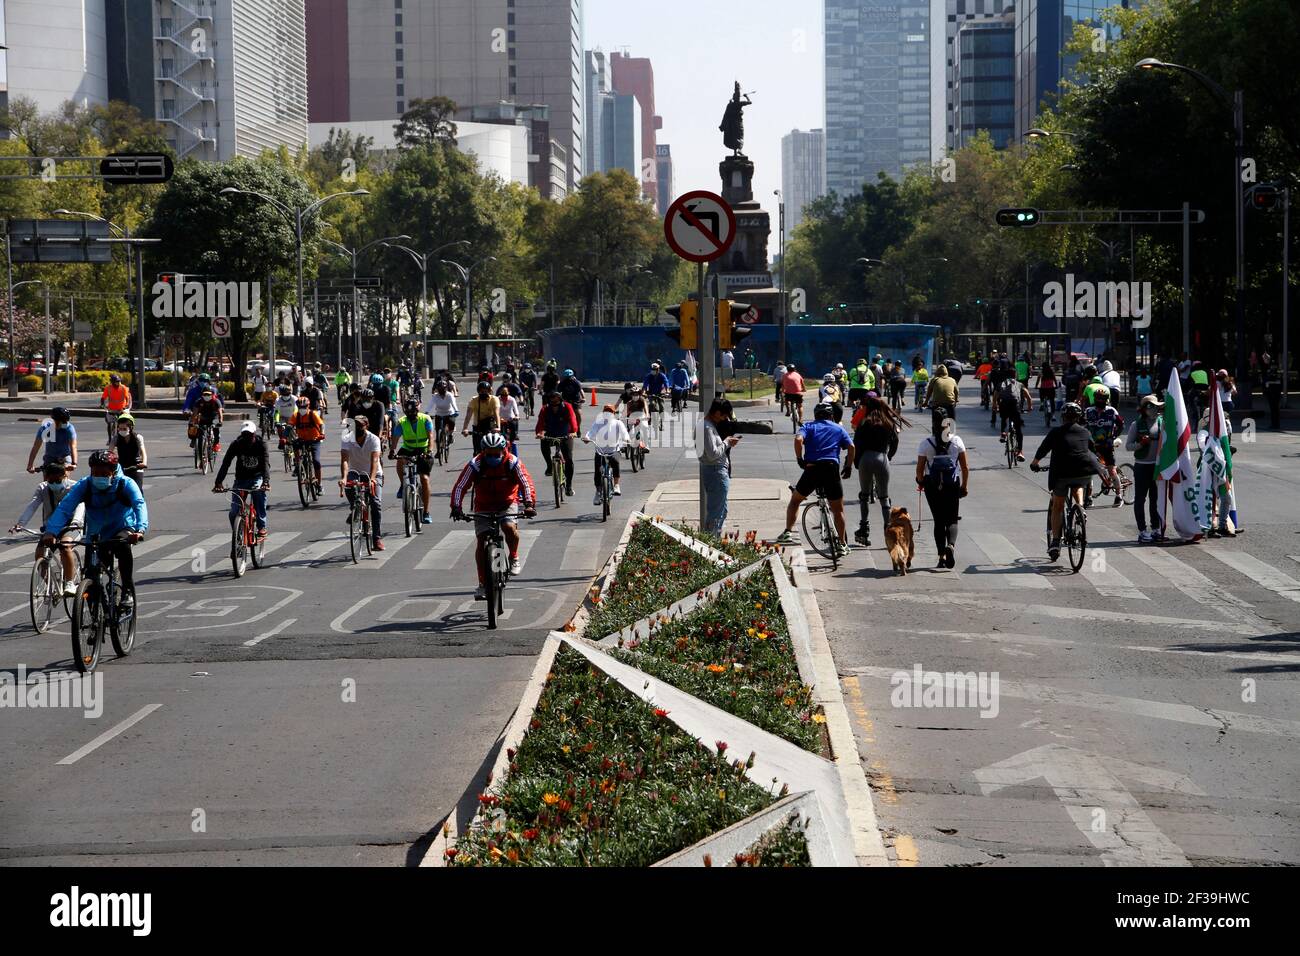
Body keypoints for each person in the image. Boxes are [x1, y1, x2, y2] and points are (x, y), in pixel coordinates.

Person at [43, 448, 147, 609]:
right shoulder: (85, 485)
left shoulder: (125, 484)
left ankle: (127, 589)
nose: (98, 477)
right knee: (91, 576)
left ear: (113, 472)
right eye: (95, 473)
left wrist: (139, 530)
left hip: (122, 527)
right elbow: (65, 508)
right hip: (96, 533)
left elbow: (139, 504)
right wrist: (51, 531)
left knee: (122, 546)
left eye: (103, 474)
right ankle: (93, 622)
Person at [450, 432, 537, 599]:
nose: (493, 456)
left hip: (507, 502)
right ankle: (482, 583)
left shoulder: (512, 462)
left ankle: (514, 556)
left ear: (504, 450)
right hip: (483, 505)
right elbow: (461, 486)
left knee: (509, 527)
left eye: (496, 452)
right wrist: (456, 507)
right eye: (489, 453)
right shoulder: (476, 464)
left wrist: (529, 504)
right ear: (483, 451)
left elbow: (526, 482)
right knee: (482, 539)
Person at [1030, 402, 1106, 562]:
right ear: (1078, 417)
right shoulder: (1085, 432)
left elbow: (1043, 449)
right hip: (1082, 472)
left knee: (1057, 506)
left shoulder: (1056, 432)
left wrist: (1035, 462)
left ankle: (1056, 542)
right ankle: (1080, 509)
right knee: (1078, 485)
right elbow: (1093, 450)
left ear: (1063, 417)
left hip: (1062, 474)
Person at [777, 401, 853, 549]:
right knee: (838, 510)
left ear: (815, 415)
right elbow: (851, 446)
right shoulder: (838, 428)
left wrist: (800, 459)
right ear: (831, 416)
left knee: (795, 500)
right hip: (831, 469)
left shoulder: (808, 426)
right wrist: (848, 466)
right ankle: (842, 544)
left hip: (812, 469)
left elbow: (798, 439)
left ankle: (788, 532)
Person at [12, 459, 83, 596]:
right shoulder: (42, 488)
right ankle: (49, 582)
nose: (54, 484)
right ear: (46, 478)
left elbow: (81, 506)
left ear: (65, 476)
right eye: (51, 481)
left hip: (71, 526)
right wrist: (21, 524)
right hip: (51, 528)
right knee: (39, 554)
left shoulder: (74, 487)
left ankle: (69, 583)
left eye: (58, 481)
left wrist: (76, 522)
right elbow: (32, 506)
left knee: (65, 545)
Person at [914, 407, 969, 569]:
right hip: (952, 483)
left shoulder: (926, 443)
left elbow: (919, 469)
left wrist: (920, 481)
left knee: (938, 521)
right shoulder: (957, 441)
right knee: (952, 519)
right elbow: (965, 467)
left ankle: (941, 557)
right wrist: (964, 486)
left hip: (932, 484)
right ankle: (950, 546)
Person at [851, 395, 904, 547]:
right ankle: (888, 530)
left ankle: (864, 529)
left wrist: (855, 462)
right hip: (882, 458)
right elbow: (895, 442)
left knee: (864, 496)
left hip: (866, 459)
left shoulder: (864, 423)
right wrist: (890, 456)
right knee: (884, 498)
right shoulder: (888, 423)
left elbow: (857, 444)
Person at [213, 421, 271, 540]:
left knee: (259, 495)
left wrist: (266, 482)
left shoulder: (261, 444)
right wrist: (218, 482)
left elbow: (265, 464)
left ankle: (261, 527)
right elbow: (226, 464)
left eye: (249, 435)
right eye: (244, 435)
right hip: (241, 479)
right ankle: (238, 539)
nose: (247, 437)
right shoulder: (236, 444)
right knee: (234, 512)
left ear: (254, 434)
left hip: (257, 477)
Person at [339, 412, 386, 551]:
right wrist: (344, 477)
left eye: (360, 426)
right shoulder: (347, 438)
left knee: (375, 503)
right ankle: (355, 508)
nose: (357, 428)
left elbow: (375, 460)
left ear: (367, 426)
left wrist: (372, 479)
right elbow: (345, 460)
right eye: (355, 425)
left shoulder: (374, 439)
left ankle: (377, 538)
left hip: (373, 473)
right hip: (354, 472)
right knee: (348, 488)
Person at [697, 398, 741, 536]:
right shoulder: (706, 428)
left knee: (722, 511)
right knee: (716, 513)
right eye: (724, 415)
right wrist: (727, 442)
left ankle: (714, 539)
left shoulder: (705, 426)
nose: (724, 419)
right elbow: (712, 454)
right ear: (716, 412)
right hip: (716, 472)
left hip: (714, 471)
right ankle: (710, 543)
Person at [1125, 395, 1164, 543]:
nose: (1155, 409)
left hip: (1157, 466)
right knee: (1140, 499)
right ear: (1145, 408)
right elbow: (1128, 446)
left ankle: (1155, 528)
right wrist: (1141, 444)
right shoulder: (1136, 424)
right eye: (1152, 406)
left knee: (1156, 498)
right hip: (1142, 466)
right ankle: (1142, 530)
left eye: (1157, 407)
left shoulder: (1162, 422)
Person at [395, 399, 436, 523]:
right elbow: (395, 438)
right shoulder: (401, 422)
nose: (412, 414)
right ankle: (403, 484)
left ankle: (426, 512)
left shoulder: (426, 419)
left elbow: (431, 436)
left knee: (424, 478)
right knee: (399, 460)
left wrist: (429, 450)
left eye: (414, 411)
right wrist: (392, 451)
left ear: (418, 410)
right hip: (408, 448)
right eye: (409, 412)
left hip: (423, 450)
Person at [1083, 387, 1124, 507]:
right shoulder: (1088, 411)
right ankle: (1089, 498)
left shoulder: (1112, 411)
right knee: (1089, 472)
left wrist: (1114, 436)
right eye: (1097, 398)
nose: (1099, 400)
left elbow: (1121, 425)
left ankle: (1118, 496)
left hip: (1107, 446)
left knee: (1111, 470)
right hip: (1092, 447)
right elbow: (1081, 424)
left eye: (1102, 398)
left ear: (1106, 399)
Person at [583, 404, 631, 503]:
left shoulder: (618, 423)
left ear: (613, 413)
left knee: (615, 462)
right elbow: (591, 432)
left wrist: (626, 439)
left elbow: (624, 433)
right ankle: (598, 492)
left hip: (614, 450)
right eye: (606, 412)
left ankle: (616, 485)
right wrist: (587, 438)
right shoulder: (598, 423)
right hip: (600, 451)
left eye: (610, 412)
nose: (608, 414)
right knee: (598, 471)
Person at [536, 389, 579, 496]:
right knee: (543, 443)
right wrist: (539, 433)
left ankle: (568, 486)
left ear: (560, 400)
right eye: (552, 401)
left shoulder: (567, 406)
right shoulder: (545, 409)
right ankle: (549, 466)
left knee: (568, 459)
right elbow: (540, 422)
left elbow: (573, 419)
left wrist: (573, 431)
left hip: (566, 435)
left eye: (557, 401)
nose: (554, 404)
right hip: (551, 434)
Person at [288, 395, 326, 492]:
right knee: (295, 444)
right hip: (302, 439)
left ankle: (320, 484)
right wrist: (284, 437)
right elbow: (289, 426)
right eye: (300, 407)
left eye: (304, 407)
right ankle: (297, 465)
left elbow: (321, 424)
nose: (302, 409)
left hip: (314, 440)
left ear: (308, 407)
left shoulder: (312, 414)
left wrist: (322, 434)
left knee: (316, 461)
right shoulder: (296, 415)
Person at [27, 406, 78, 473]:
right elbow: (36, 447)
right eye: (62, 422)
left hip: (64, 456)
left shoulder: (69, 428)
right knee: (47, 481)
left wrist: (74, 463)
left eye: (65, 422)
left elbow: (73, 446)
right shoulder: (45, 428)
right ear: (54, 420)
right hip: (50, 457)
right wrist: (30, 465)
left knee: (64, 476)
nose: (64, 424)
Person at [996, 375, 1032, 461]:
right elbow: (1028, 397)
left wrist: (994, 405)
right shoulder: (1019, 384)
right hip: (1015, 406)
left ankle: (1003, 433)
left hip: (1004, 405)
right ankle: (1020, 452)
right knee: (1018, 429)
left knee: (1004, 417)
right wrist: (1030, 407)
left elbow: (995, 395)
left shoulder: (1001, 384)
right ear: (1015, 377)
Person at [463, 380, 502, 456]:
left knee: (493, 445)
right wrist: (465, 428)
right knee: (477, 450)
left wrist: (498, 427)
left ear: (489, 391)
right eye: (482, 391)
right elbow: (468, 415)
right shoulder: (474, 400)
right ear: (478, 392)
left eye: (486, 391)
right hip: (478, 426)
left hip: (491, 425)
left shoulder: (494, 399)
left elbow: (496, 414)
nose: (484, 393)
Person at [114, 413, 147, 489]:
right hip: (121, 467)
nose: (122, 431)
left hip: (136, 466)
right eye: (120, 429)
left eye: (124, 429)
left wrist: (144, 463)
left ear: (131, 428)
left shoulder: (138, 437)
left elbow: (143, 452)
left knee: (137, 490)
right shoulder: (116, 438)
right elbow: (110, 451)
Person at [189, 385, 224, 454]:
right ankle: (193, 440)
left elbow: (220, 413)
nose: (206, 396)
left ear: (212, 394)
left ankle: (216, 444)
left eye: (208, 394)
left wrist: (220, 422)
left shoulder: (216, 401)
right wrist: (192, 422)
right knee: (195, 428)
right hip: (203, 418)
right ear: (202, 394)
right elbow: (195, 413)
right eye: (205, 394)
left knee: (216, 429)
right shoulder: (199, 401)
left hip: (213, 418)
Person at [428, 379, 459, 448]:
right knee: (437, 429)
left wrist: (456, 411)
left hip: (449, 413)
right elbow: (430, 405)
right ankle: (439, 449)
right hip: (439, 413)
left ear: (446, 388)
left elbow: (453, 404)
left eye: (443, 389)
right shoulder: (435, 396)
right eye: (440, 389)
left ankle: (450, 435)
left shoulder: (449, 395)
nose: (441, 390)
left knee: (452, 423)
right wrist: (426, 412)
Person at [100, 373, 132, 441]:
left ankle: (125, 436)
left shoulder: (123, 388)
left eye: (119, 381)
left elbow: (127, 398)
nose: (118, 383)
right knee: (109, 423)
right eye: (116, 382)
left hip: (121, 409)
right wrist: (102, 404)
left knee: (126, 422)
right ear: (112, 382)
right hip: (111, 409)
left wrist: (126, 406)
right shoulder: (108, 388)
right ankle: (109, 439)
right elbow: (103, 397)